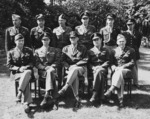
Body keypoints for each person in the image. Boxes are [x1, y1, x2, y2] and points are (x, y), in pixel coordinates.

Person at [57, 31, 88, 109]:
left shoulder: (83, 48)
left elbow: (86, 59)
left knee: (75, 69)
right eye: (71, 38)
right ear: (69, 39)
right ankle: (77, 98)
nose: (72, 39)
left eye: (74, 38)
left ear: (77, 38)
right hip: (70, 69)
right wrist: (68, 66)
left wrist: (76, 65)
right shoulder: (65, 48)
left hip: (81, 68)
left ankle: (65, 87)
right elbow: (62, 60)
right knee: (75, 76)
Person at [104, 34, 135, 107]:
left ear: (125, 42)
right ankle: (120, 100)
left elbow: (132, 62)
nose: (121, 43)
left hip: (127, 71)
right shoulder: (113, 51)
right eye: (120, 41)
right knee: (119, 75)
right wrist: (113, 67)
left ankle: (111, 89)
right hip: (116, 71)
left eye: (123, 41)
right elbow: (110, 62)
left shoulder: (131, 50)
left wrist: (123, 66)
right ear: (117, 42)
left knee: (120, 72)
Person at [7, 34, 34, 113]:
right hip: (17, 73)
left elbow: (32, 62)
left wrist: (26, 67)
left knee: (27, 72)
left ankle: (19, 93)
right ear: (15, 42)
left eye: (22, 41)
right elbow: (9, 65)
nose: (21, 42)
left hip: (27, 71)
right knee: (25, 79)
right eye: (19, 41)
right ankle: (26, 103)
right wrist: (19, 68)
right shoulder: (11, 52)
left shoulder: (29, 50)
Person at [34, 32, 61, 109]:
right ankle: (54, 99)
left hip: (52, 70)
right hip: (43, 72)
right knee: (50, 73)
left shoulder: (55, 50)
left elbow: (58, 61)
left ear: (49, 40)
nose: (45, 41)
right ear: (41, 41)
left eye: (47, 39)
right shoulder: (37, 51)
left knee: (51, 72)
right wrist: (44, 67)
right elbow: (36, 62)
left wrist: (52, 66)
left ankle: (46, 96)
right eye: (44, 39)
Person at [88, 33, 110, 105]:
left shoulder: (106, 50)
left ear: (101, 40)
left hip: (103, 69)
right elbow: (88, 63)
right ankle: (101, 97)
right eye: (94, 40)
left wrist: (101, 67)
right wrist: (93, 67)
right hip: (93, 70)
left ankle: (94, 94)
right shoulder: (90, 51)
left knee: (99, 71)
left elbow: (108, 61)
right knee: (100, 75)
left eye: (97, 39)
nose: (95, 41)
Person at [53, 14, 72, 89]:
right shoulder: (55, 30)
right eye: (59, 20)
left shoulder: (69, 29)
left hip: (67, 51)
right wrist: (56, 51)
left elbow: (71, 41)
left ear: (65, 21)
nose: (60, 22)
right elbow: (54, 42)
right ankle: (59, 85)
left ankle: (66, 84)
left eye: (62, 20)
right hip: (58, 50)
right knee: (59, 68)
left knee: (66, 67)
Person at [122, 18, 142, 87]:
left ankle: (136, 82)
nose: (129, 26)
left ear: (134, 24)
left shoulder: (138, 33)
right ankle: (124, 82)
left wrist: (135, 49)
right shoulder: (124, 33)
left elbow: (138, 44)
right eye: (128, 24)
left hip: (135, 52)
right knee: (125, 65)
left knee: (135, 67)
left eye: (130, 24)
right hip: (126, 52)